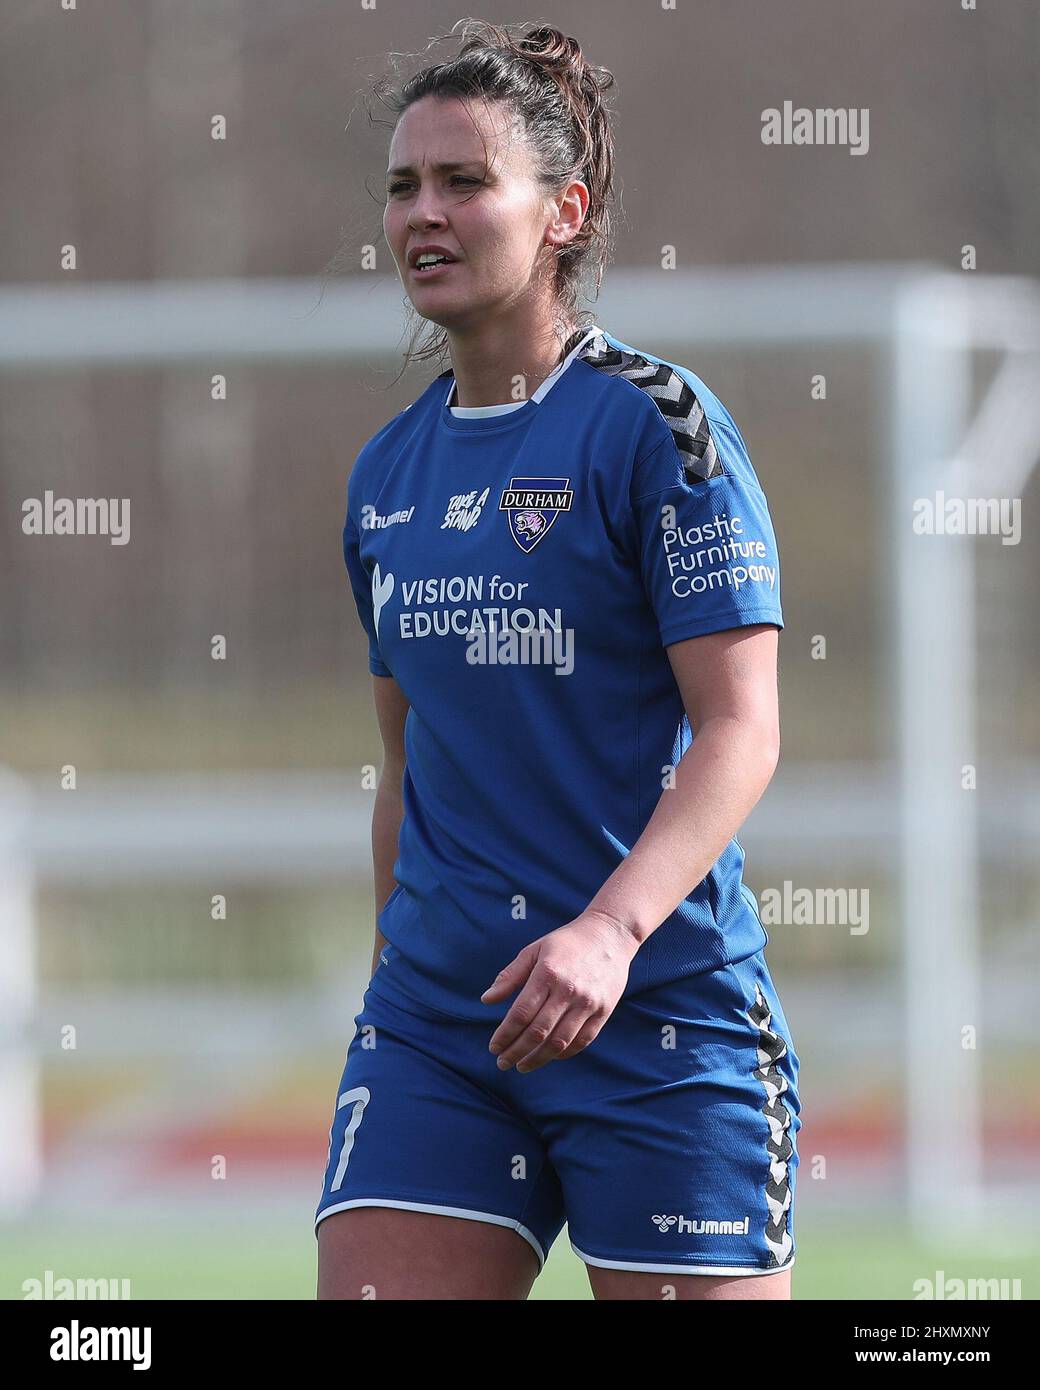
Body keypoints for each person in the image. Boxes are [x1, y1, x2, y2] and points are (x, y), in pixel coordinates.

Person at [315, 20, 801, 1301]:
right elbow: (402, 764)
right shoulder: (385, 475)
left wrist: (607, 933)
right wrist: (389, 1005)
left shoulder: (658, 429)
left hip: (657, 1012)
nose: (422, 213)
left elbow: (739, 730)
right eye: (402, 186)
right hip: (440, 1026)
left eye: (464, 182)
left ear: (561, 210)